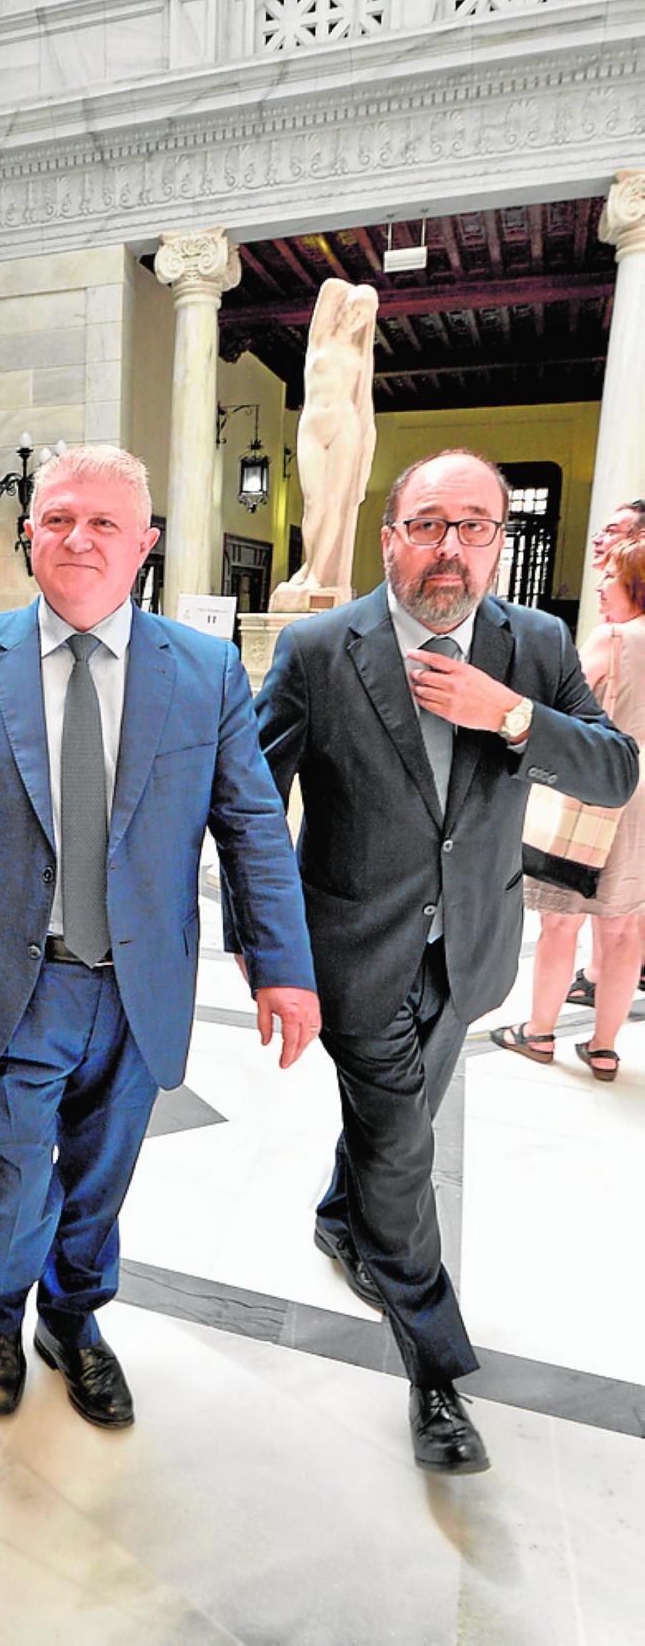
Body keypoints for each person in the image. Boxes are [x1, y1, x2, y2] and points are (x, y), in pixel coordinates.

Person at [0, 445, 319, 1429]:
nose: (79, 537)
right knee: (0, 1178)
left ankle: (73, 1320)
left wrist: (282, 966)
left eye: (105, 522)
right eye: (59, 517)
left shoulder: (203, 669)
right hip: (6, 977)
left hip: (136, 985)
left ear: (145, 544)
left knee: (100, 1178)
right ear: (29, 531)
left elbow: (250, 823)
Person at [237, 448, 638, 1474]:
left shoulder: (535, 641)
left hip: (471, 947)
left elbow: (613, 768)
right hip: (355, 949)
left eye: (473, 525)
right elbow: (247, 801)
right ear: (390, 535)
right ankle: (434, 1368)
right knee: (400, 1148)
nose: (449, 547)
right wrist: (264, 947)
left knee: (393, 1124)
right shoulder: (324, 648)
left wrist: (505, 713)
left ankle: (339, 1218)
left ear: (501, 540)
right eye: (427, 523)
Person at [492, 536, 645, 1079]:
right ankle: (604, 1047)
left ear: (634, 581)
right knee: (626, 928)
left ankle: (539, 1031)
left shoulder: (616, 638)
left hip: (595, 795)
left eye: (609, 574)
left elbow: (560, 705)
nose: (600, 585)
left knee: (561, 921)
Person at [563, 500, 645, 1009]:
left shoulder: (614, 636)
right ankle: (604, 1005)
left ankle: (550, 1023)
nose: (600, 540)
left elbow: (565, 706)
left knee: (599, 905)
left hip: (613, 782)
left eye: (614, 533)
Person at [272, 279, 377, 609]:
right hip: (312, 425)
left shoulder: (360, 356)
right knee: (313, 503)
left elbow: (365, 410)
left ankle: (319, 574)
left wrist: (366, 461)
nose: (355, 316)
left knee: (333, 503)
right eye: (353, 308)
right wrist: (355, 291)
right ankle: (309, 566)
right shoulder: (321, 338)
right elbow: (330, 288)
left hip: (344, 425)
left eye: (363, 313)